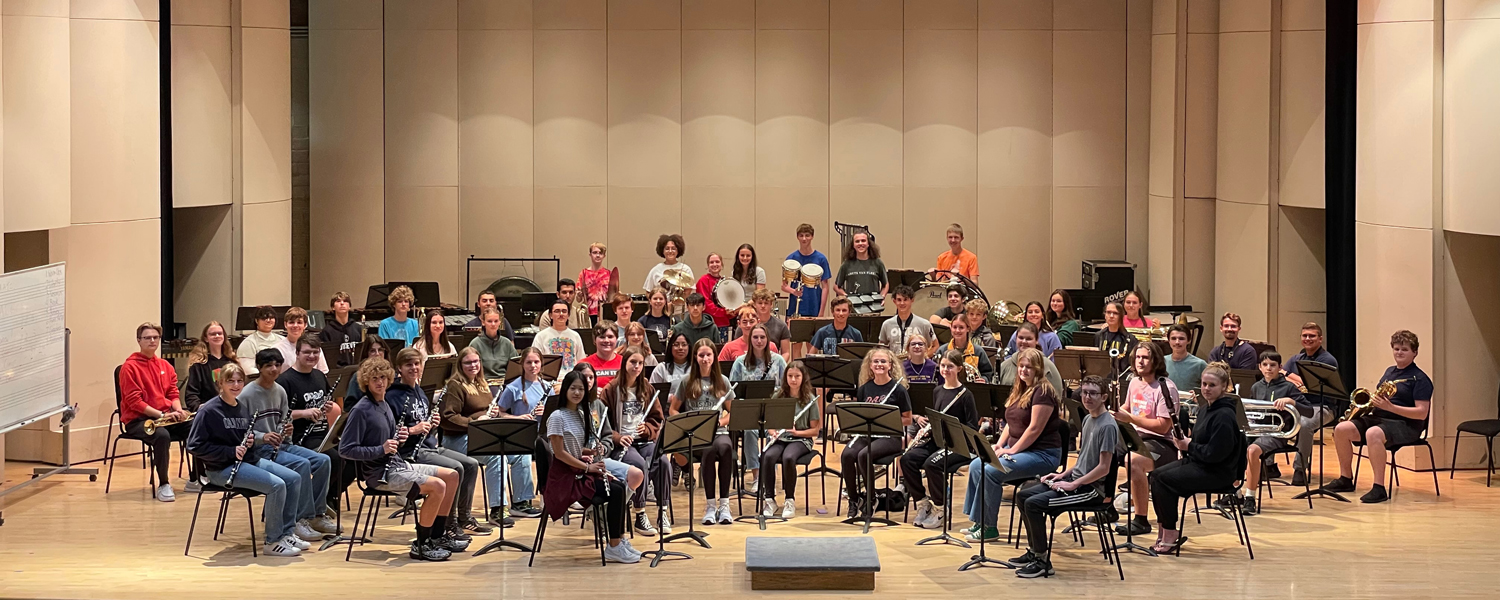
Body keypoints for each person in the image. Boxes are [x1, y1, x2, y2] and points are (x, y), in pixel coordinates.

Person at [340, 357, 462, 561]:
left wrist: (400, 437)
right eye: (374, 378)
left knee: (452, 476)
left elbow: (388, 440)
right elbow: (346, 449)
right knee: (437, 486)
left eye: (383, 377)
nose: (379, 382)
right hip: (380, 474)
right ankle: (421, 544)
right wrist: (381, 449)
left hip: (397, 464)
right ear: (366, 382)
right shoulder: (361, 410)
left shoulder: (384, 404)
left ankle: (438, 537)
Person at [188, 363, 309, 556]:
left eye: (239, 381)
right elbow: (194, 446)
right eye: (230, 381)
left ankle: (287, 533)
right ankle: (272, 541)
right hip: (221, 469)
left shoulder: (241, 407)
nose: (236, 385)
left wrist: (250, 441)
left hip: (246, 462)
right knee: (276, 485)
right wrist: (230, 451)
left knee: (293, 478)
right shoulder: (209, 411)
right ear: (221, 383)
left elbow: (242, 437)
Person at [1011, 375, 1119, 578]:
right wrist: (1063, 474)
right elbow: (1083, 460)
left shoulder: (1108, 426)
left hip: (1091, 490)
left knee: (1034, 504)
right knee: (1023, 496)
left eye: (1093, 393)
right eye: (1084, 392)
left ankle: (1043, 562)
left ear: (1104, 397)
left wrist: (1074, 483)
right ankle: (1035, 552)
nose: (1087, 397)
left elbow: (1104, 468)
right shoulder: (1088, 419)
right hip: (1075, 481)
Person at [961, 348, 1064, 542]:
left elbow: (1034, 428)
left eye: (1029, 367)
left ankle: (989, 527)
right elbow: (1010, 423)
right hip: (1023, 452)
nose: (1024, 370)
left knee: (991, 471)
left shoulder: (1043, 391)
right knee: (976, 465)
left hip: (1042, 454)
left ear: (1038, 369)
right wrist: (999, 445)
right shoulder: (1021, 388)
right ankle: (979, 521)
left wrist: (1012, 449)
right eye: (1022, 366)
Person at [542, 371, 643, 563]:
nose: (577, 392)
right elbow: (560, 453)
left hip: (577, 470)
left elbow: (574, 448)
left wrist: (589, 452)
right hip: (565, 477)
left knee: (620, 487)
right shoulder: (557, 416)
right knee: (615, 491)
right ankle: (614, 546)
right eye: (573, 388)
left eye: (581, 389)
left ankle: (618, 540)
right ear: (565, 390)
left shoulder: (581, 413)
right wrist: (588, 468)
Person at [239, 349, 337, 545]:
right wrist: (263, 437)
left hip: (281, 445)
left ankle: (318, 514)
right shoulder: (248, 394)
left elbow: (282, 420)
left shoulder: (280, 391)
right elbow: (240, 431)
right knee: (301, 465)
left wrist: (286, 430)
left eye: (277, 365)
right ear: (259, 368)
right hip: (259, 450)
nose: (274, 369)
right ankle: (301, 519)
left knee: (323, 460)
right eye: (269, 366)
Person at [1324, 330, 1433, 504]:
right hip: (1380, 418)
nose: (1399, 352)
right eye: (1396, 348)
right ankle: (1345, 479)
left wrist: (1391, 407)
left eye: (1404, 349)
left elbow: (1421, 413)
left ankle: (1379, 487)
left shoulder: (1419, 379)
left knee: (1373, 433)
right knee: (1341, 429)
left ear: (1415, 352)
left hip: (1406, 424)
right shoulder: (1390, 372)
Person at [386, 348, 481, 546]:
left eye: (417, 364)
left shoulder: (419, 391)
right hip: (410, 453)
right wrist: (413, 430)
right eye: (408, 365)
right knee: (456, 468)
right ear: (399, 369)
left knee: (471, 464)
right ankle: (449, 524)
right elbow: (390, 431)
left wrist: (432, 423)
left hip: (429, 445)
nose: (414, 368)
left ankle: (463, 517)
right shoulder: (392, 396)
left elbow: (423, 424)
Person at [1149, 362, 1246, 554]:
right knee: (1155, 475)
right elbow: (1203, 443)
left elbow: (1216, 454)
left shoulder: (1224, 415)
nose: (1206, 389)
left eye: (1212, 385)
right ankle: (1165, 529)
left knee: (1164, 480)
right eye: (1204, 384)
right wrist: (1185, 442)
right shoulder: (1205, 409)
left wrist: (1189, 446)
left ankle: (1170, 533)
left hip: (1217, 472)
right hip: (1202, 464)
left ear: (1224, 387)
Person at [906, 350, 980, 529]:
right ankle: (924, 503)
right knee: (907, 459)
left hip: (960, 446)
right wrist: (927, 429)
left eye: (950, 366)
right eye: (943, 366)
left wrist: (953, 431)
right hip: (938, 441)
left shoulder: (965, 395)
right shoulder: (938, 390)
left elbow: (972, 428)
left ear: (959, 369)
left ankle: (941, 508)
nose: (945, 369)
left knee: (932, 464)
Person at [1112, 343, 1181, 537]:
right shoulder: (1134, 382)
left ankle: (1141, 520)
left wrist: (1130, 418)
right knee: (1105, 450)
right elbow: (1127, 406)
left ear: (1155, 361)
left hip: (1162, 443)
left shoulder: (1165, 388)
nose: (1140, 361)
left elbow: (1163, 426)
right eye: (1137, 357)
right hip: (1136, 436)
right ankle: (1107, 507)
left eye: (1145, 358)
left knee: (1133, 462)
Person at [277, 337, 349, 516]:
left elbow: (326, 401)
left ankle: (327, 497)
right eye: (307, 352)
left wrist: (327, 406)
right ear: (297, 353)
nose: (312, 356)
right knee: (334, 458)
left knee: (352, 456)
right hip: (300, 438)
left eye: (315, 352)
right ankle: (316, 506)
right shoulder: (285, 381)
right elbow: (279, 414)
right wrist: (304, 413)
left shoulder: (318, 376)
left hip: (323, 434)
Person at [601, 346, 667, 536]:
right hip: (622, 444)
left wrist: (646, 429)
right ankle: (640, 513)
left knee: (662, 462)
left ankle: (662, 512)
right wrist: (618, 437)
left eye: (640, 363)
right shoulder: (611, 389)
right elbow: (602, 425)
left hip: (643, 441)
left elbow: (657, 419)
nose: (636, 367)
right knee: (638, 464)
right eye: (633, 362)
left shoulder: (647, 388)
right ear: (624, 364)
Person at [120, 322, 190, 501]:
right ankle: (164, 484)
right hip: (138, 420)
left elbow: (172, 393)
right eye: (147, 338)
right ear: (138, 340)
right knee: (162, 436)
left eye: (155, 337)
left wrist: (178, 410)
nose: (152, 340)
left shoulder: (165, 365)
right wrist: (162, 415)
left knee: (193, 425)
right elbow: (134, 402)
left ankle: (197, 477)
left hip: (164, 416)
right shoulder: (129, 367)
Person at [841, 348, 913, 520]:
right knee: (847, 455)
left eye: (883, 361)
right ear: (870, 365)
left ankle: (871, 499)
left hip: (890, 437)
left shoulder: (898, 390)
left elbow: (908, 419)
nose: (879, 364)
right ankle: (853, 499)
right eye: (876, 361)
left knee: (864, 455)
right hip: (867, 434)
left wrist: (886, 421)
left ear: (890, 365)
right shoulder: (865, 389)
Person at [670, 339, 736, 525]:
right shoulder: (687, 381)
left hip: (718, 432)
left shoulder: (722, 381)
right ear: (695, 358)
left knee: (724, 449)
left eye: (708, 355)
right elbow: (673, 410)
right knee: (708, 449)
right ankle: (710, 506)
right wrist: (687, 425)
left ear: (714, 357)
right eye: (701, 355)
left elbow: (732, 412)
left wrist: (719, 423)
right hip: (696, 434)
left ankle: (724, 504)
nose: (705, 359)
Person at [437, 347, 503, 534]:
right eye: (468, 362)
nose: (473, 365)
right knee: (495, 457)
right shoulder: (455, 385)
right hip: (458, 438)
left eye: (476, 361)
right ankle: (497, 510)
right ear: (460, 365)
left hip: (479, 435)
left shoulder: (481, 383)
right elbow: (448, 417)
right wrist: (474, 422)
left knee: (507, 454)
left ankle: (503, 507)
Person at [1237, 350, 1310, 514]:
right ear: (1260, 367)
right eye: (1265, 365)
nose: (1269, 368)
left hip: (1277, 434)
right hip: (1256, 431)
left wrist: (1292, 402)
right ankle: (1236, 493)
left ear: (1280, 367)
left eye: (1273, 365)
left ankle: (1250, 498)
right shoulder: (1256, 387)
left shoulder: (1289, 387)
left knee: (1252, 451)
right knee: (1233, 447)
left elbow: (1309, 412)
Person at [758, 361, 822, 520]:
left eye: (797, 376)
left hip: (801, 440)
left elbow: (815, 430)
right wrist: (772, 433)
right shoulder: (778, 396)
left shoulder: (810, 399)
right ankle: (770, 499)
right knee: (767, 456)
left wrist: (797, 432)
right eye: (790, 376)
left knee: (788, 457)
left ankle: (789, 500)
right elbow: (769, 422)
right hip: (781, 438)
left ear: (803, 377)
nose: (793, 380)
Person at [493, 346, 550, 522]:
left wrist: (545, 411)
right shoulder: (513, 388)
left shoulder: (547, 387)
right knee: (532, 454)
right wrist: (518, 417)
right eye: (529, 362)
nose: (533, 365)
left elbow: (555, 414)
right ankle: (522, 502)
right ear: (522, 364)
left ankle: (551, 496)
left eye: (536, 362)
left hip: (544, 433)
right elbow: (500, 413)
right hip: (521, 436)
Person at [1280, 322, 1339, 485]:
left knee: (1305, 424)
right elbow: (1281, 378)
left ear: (1320, 339)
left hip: (1322, 406)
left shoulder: (1328, 359)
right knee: (1274, 417)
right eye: (1305, 336)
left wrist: (1289, 375)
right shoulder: (1296, 358)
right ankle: (1269, 465)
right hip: (1298, 405)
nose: (1308, 339)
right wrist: (1288, 377)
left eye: (1312, 336)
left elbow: (1312, 384)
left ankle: (1300, 469)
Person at [184, 321, 237, 412]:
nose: (217, 336)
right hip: (208, 409)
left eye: (220, 333)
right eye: (213, 334)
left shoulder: (232, 362)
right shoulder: (198, 365)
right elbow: (191, 394)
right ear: (206, 338)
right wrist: (199, 408)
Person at [997, 323, 1065, 393]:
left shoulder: (1048, 366)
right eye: (1020, 338)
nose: (1024, 341)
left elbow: (1056, 395)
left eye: (1029, 339)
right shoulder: (1004, 366)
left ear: (1036, 340)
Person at [782, 223, 832, 318]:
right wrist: (794, 291)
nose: (804, 239)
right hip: (795, 307)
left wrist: (821, 311)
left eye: (807, 235)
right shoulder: (791, 258)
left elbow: (825, 287)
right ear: (797, 237)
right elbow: (784, 286)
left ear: (812, 237)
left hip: (814, 305)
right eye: (801, 236)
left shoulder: (821, 259)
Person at [833, 230, 888, 315]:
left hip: (873, 309)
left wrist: (881, 297)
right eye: (857, 241)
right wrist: (847, 297)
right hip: (853, 310)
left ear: (868, 244)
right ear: (853, 245)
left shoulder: (877, 263)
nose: (860, 243)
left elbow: (886, 285)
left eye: (863, 240)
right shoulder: (847, 264)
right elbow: (836, 286)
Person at [879, 285, 936, 355]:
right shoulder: (886, 324)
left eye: (905, 299)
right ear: (894, 301)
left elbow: (935, 346)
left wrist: (923, 358)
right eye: (899, 300)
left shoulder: (924, 324)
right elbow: (881, 347)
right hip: (894, 364)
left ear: (912, 300)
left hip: (915, 365)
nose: (902, 303)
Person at [937, 315, 994, 383]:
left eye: (961, 327)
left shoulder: (978, 351)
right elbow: (936, 373)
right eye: (954, 327)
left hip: (971, 389)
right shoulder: (942, 350)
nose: (957, 330)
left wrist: (984, 379)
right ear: (951, 328)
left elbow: (988, 373)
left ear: (968, 329)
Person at [533, 299, 587, 371]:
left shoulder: (575, 336)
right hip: (549, 379)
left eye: (564, 311)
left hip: (572, 378)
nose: (561, 314)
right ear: (550, 315)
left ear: (568, 315)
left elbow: (581, 362)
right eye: (557, 311)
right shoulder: (541, 336)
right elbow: (535, 361)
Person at [467, 307, 517, 382]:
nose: (493, 324)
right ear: (483, 322)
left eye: (496, 321)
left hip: (505, 382)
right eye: (489, 321)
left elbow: (516, 366)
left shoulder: (506, 343)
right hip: (484, 382)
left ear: (500, 322)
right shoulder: (475, 344)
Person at [274, 307, 329, 372]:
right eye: (291, 322)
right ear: (285, 324)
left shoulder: (314, 346)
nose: (295, 325)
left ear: (305, 325)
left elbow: (323, 372)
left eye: (299, 322)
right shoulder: (277, 349)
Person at [237, 305, 286, 376]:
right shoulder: (249, 342)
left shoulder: (282, 339)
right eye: (264, 318)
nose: (268, 320)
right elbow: (248, 369)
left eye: (271, 318)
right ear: (257, 321)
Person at [319, 291, 365, 366]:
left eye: (345, 301)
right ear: (333, 307)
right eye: (338, 301)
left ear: (349, 306)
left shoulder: (358, 328)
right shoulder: (327, 331)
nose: (342, 303)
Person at [695, 252, 734, 337]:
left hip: (724, 323)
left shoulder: (726, 282)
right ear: (708, 265)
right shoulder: (703, 281)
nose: (714, 264)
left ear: (721, 264)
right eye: (711, 262)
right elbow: (706, 304)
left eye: (717, 262)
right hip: (708, 323)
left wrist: (732, 311)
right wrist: (723, 312)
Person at [343, 335, 390, 403]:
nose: (377, 354)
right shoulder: (357, 376)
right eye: (372, 351)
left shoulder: (392, 374)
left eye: (380, 350)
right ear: (366, 354)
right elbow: (349, 406)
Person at [750, 288, 792, 361]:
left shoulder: (781, 326)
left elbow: (786, 353)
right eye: (760, 303)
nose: (763, 306)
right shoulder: (747, 325)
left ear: (771, 304)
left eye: (766, 303)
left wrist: (777, 365)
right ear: (754, 304)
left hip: (772, 364)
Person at [1164, 324, 1207, 394]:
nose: (1177, 342)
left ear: (1189, 341)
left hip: (1190, 404)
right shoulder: (1162, 362)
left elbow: (1211, 388)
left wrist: (1200, 393)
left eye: (1181, 339)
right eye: (1173, 338)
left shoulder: (1200, 364)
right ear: (1168, 340)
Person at [580, 321, 623, 389]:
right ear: (594, 340)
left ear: (616, 339)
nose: (606, 340)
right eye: (602, 337)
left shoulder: (625, 362)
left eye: (610, 337)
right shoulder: (583, 364)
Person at [1096, 301, 1138, 372]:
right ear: (1105, 315)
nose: (1111, 316)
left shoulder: (1131, 339)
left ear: (1121, 316)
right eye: (1108, 312)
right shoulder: (1098, 336)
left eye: (1115, 313)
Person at [579, 242, 613, 321]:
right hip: (589, 313)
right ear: (590, 254)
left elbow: (612, 295)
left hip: (605, 312)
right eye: (594, 253)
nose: (598, 255)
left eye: (600, 253)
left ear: (604, 256)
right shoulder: (583, 273)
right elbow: (579, 299)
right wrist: (579, 295)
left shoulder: (609, 274)